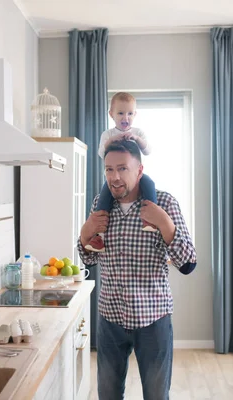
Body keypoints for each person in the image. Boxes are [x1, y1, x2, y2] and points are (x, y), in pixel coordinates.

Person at [77, 139, 197, 400]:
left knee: (156, 396)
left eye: (122, 168)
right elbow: (89, 259)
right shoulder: (101, 204)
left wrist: (165, 224)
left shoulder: (164, 203)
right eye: (109, 169)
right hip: (110, 318)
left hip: (153, 319)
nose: (115, 177)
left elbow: (188, 263)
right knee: (108, 395)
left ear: (139, 170)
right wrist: (85, 233)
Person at [84, 92, 157, 253]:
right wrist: (111, 141)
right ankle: (99, 236)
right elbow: (101, 153)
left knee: (149, 184)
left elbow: (148, 150)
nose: (126, 118)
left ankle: (150, 220)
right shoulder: (108, 134)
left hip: (138, 178)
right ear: (111, 114)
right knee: (103, 198)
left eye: (130, 113)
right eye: (121, 113)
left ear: (135, 114)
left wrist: (137, 140)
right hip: (112, 181)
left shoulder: (138, 132)